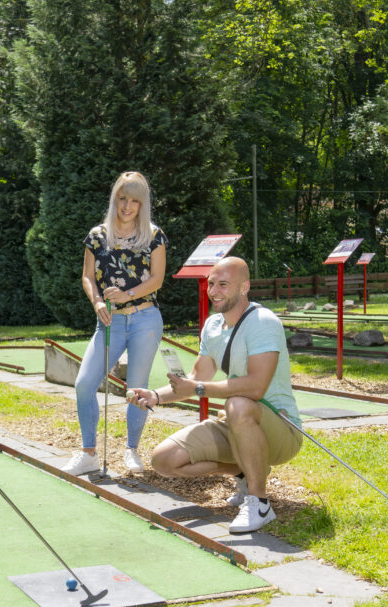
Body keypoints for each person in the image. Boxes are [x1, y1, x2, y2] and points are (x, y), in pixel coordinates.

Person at [125, 256, 302, 533]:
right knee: (164, 460)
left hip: (281, 430)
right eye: (211, 284)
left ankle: (259, 503)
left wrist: (196, 388)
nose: (214, 291)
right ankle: (244, 471)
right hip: (238, 424)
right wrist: (154, 396)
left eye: (223, 285)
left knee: (239, 403)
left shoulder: (263, 322)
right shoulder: (212, 326)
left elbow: (255, 387)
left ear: (244, 288)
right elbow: (195, 379)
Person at [62, 171, 168, 476]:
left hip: (145, 318)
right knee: (84, 384)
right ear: (115, 199)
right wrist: (97, 301)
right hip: (110, 321)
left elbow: (157, 280)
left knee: (136, 389)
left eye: (135, 200)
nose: (127, 206)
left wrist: (126, 294)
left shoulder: (153, 235)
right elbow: (86, 276)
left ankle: (131, 449)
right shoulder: (98, 235)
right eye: (123, 198)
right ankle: (88, 453)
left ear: (142, 203)